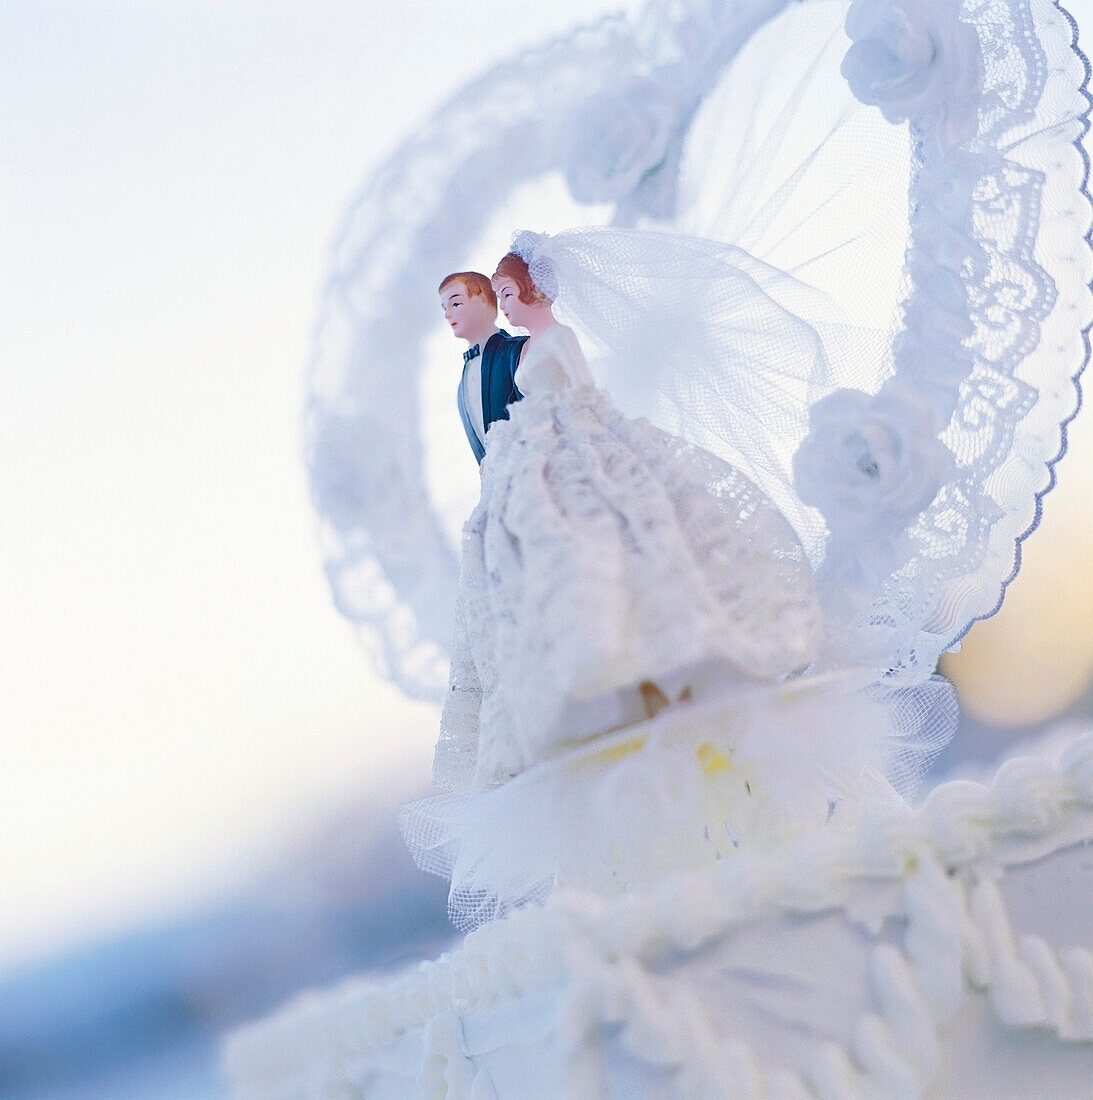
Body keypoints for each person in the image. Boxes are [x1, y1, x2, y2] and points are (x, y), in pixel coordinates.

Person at [432, 243, 823, 794]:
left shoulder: (529, 348)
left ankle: (661, 654)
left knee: (614, 540)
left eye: (499, 296)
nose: (462, 312)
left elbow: (580, 392)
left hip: (566, 449)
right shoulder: (475, 369)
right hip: (514, 471)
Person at [438, 271, 527, 464]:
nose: (447, 314)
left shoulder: (516, 351)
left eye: (455, 304)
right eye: (444, 308)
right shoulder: (462, 387)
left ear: (484, 300)